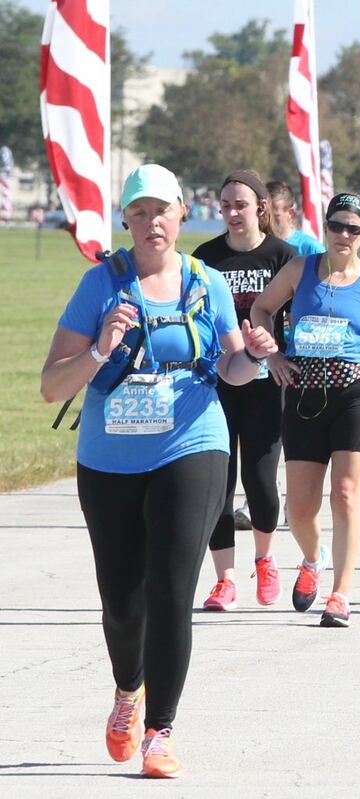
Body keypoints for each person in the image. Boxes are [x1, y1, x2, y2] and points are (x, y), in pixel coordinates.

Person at [41, 164, 279, 778]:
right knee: (123, 601)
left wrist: (251, 359)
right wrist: (98, 350)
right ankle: (128, 690)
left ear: (181, 215)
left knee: (173, 589)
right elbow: (51, 386)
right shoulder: (101, 285)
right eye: (140, 212)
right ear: (126, 220)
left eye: (163, 211)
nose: (152, 223)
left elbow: (230, 370)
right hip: (109, 458)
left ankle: (160, 730)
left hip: (192, 445)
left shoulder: (206, 283)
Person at [251, 192, 360, 629]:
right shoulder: (300, 270)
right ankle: (312, 556)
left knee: (344, 493)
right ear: (325, 227)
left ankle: (341, 594)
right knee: (299, 510)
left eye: (353, 229)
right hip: (303, 396)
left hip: (355, 396)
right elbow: (262, 309)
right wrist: (273, 357)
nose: (343, 235)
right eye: (336, 226)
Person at [192, 170, 295, 613]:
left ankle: (265, 558)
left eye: (240, 205)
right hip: (215, 383)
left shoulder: (281, 255)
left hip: (265, 384)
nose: (232, 213)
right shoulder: (204, 257)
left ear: (260, 208)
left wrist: (282, 358)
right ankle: (224, 580)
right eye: (226, 206)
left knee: (260, 480)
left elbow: (298, 318)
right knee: (218, 483)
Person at [265, 180, 324, 256]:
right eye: (264, 215)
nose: (268, 221)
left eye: (274, 216)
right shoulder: (253, 246)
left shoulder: (311, 248)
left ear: (290, 213)